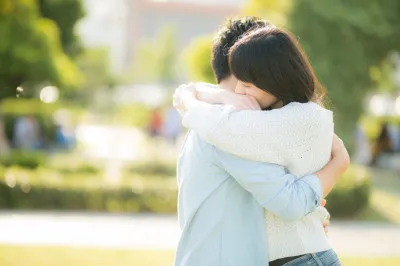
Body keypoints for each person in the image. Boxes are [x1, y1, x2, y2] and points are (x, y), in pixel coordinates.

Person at [173, 17, 349, 266]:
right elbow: (293, 202)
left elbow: (292, 201)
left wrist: (193, 95)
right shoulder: (227, 129)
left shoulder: (225, 128)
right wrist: (336, 168)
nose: (243, 93)